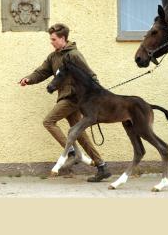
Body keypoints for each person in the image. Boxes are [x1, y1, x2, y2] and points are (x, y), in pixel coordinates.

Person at [19, 23, 111, 182]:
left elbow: (90, 75)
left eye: (54, 39)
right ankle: (102, 166)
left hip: (74, 98)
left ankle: (72, 153)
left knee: (48, 121)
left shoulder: (74, 55)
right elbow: (41, 72)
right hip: (65, 97)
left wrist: (96, 95)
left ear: (62, 38)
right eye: (51, 39)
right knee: (79, 133)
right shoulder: (53, 57)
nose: (51, 42)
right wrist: (29, 79)